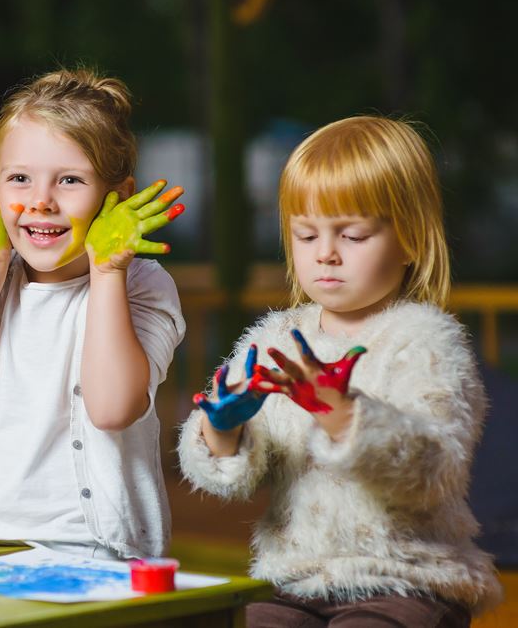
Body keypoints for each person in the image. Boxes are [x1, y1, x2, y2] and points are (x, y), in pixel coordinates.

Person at [177, 116, 503, 626]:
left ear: (411, 240)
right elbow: (230, 475)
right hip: (294, 577)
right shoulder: (276, 339)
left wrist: (346, 416)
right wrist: (221, 427)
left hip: (406, 579)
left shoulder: (426, 342)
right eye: (306, 235)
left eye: (351, 235)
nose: (325, 253)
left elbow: (434, 472)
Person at [0, 68, 187, 560]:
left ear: (117, 195)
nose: (40, 201)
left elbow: (112, 408)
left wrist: (107, 272)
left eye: (70, 180)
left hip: (91, 550)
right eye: (20, 179)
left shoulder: (143, 284)